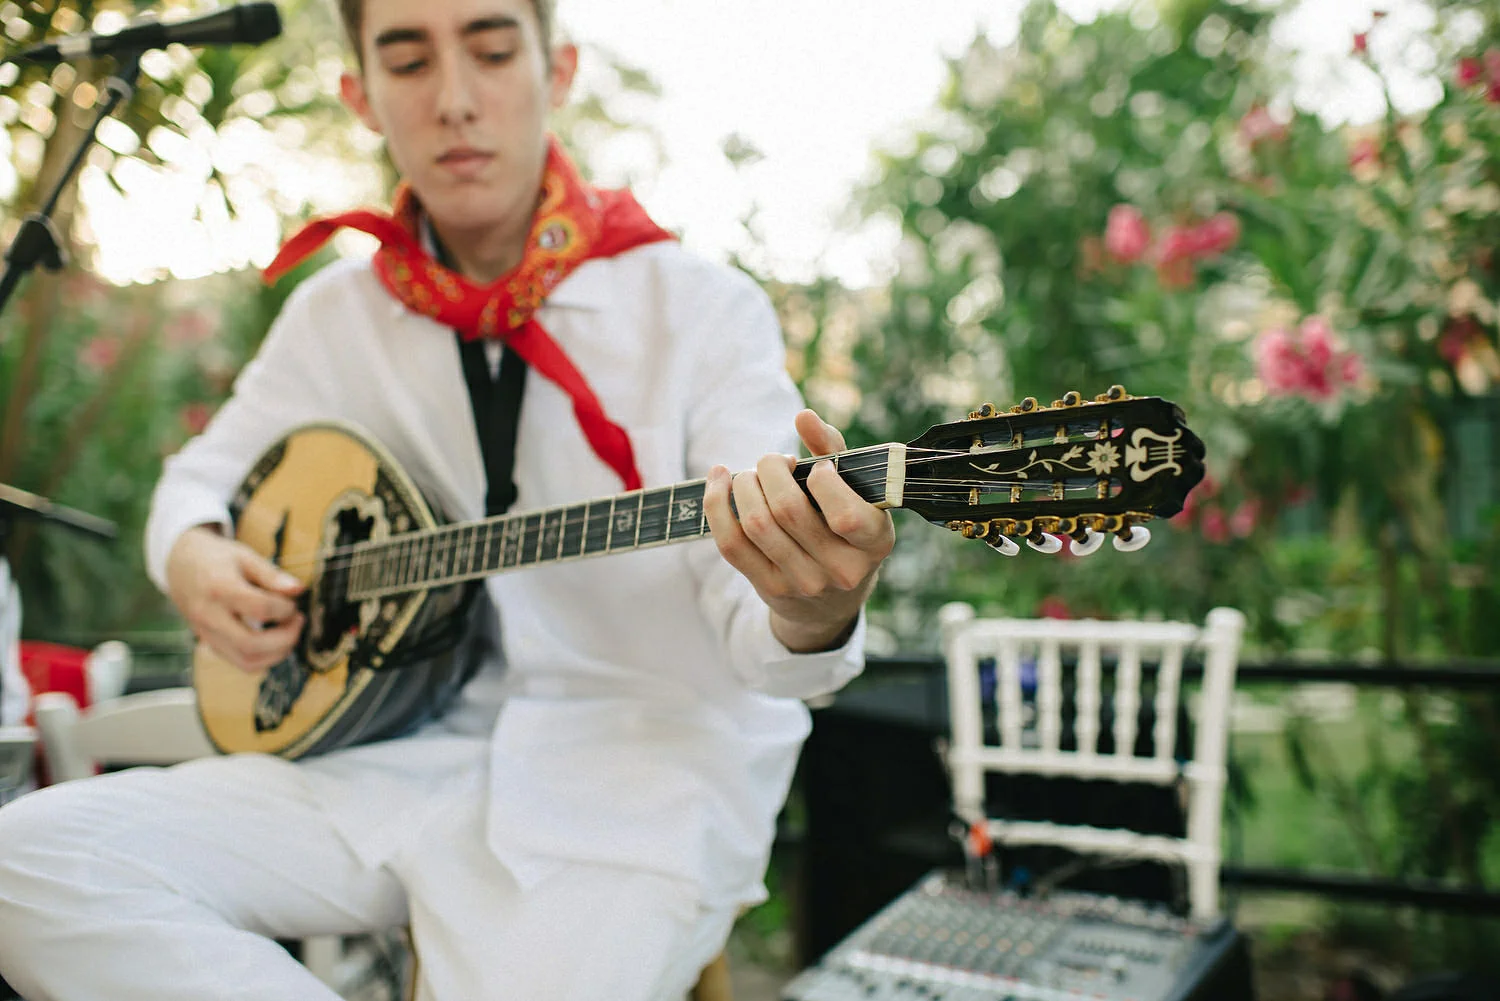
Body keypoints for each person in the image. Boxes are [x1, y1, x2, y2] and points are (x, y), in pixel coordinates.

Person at [0, 0, 893, 998]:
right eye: (410, 60)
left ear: (558, 72)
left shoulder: (699, 311)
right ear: (361, 96)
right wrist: (197, 556)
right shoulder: (340, 314)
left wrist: (811, 606)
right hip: (406, 755)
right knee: (25, 862)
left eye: (493, 48)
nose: (457, 100)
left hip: (643, 783)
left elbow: (764, 633)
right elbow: (200, 479)